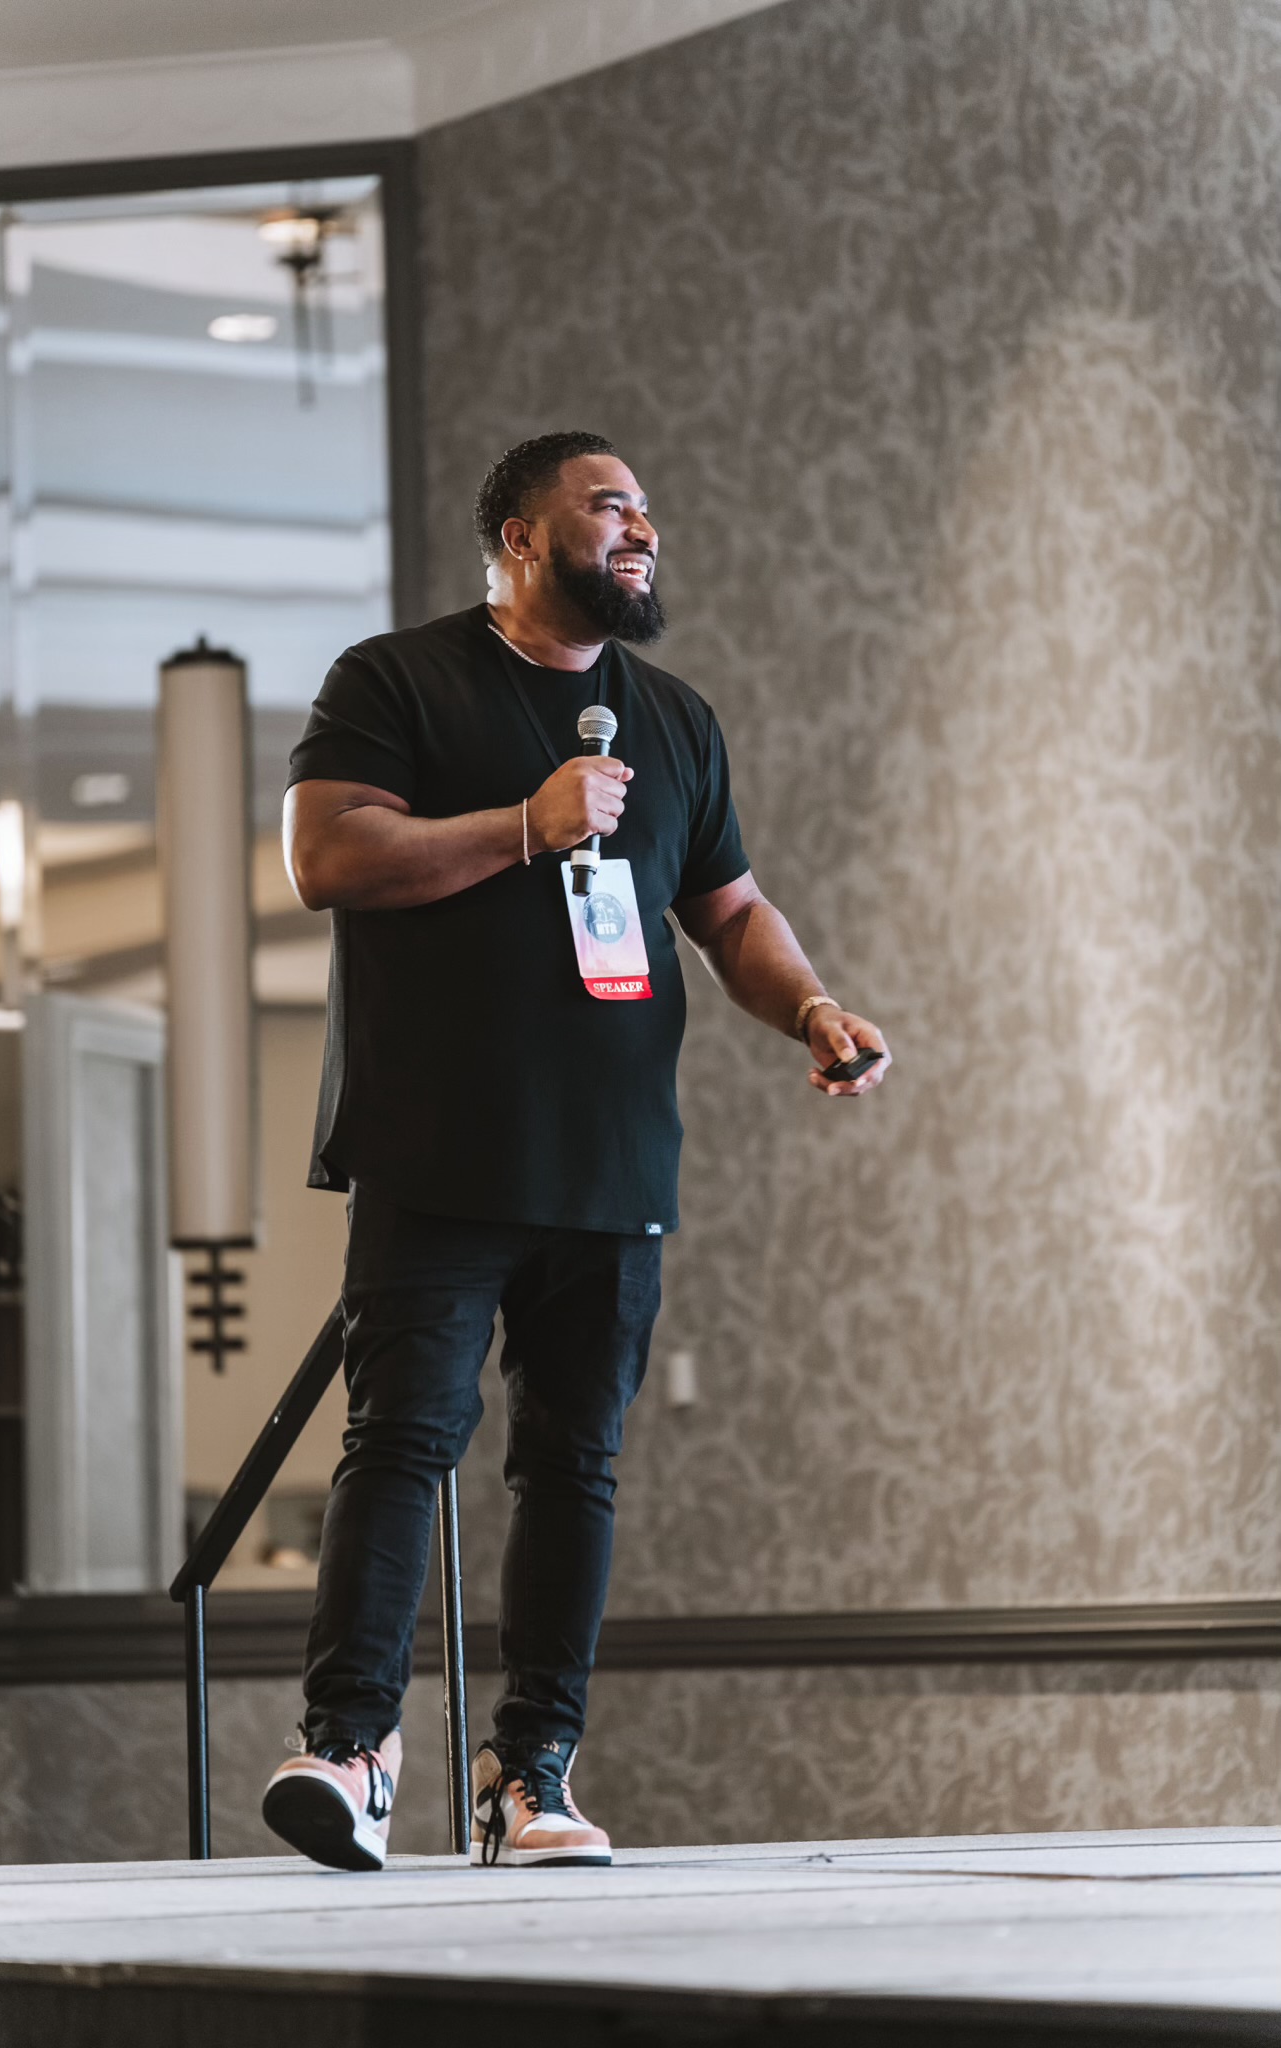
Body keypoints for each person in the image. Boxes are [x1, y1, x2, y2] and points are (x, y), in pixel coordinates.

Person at [261, 430, 890, 1873]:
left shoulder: (671, 719)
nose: (641, 530)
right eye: (608, 507)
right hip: (438, 1150)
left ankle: (526, 1778)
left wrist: (805, 1003)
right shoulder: (395, 680)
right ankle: (353, 1747)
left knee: (573, 1468)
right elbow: (327, 857)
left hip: (611, 1165)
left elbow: (726, 912)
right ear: (521, 535)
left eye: (648, 512)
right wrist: (518, 826)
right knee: (400, 1444)